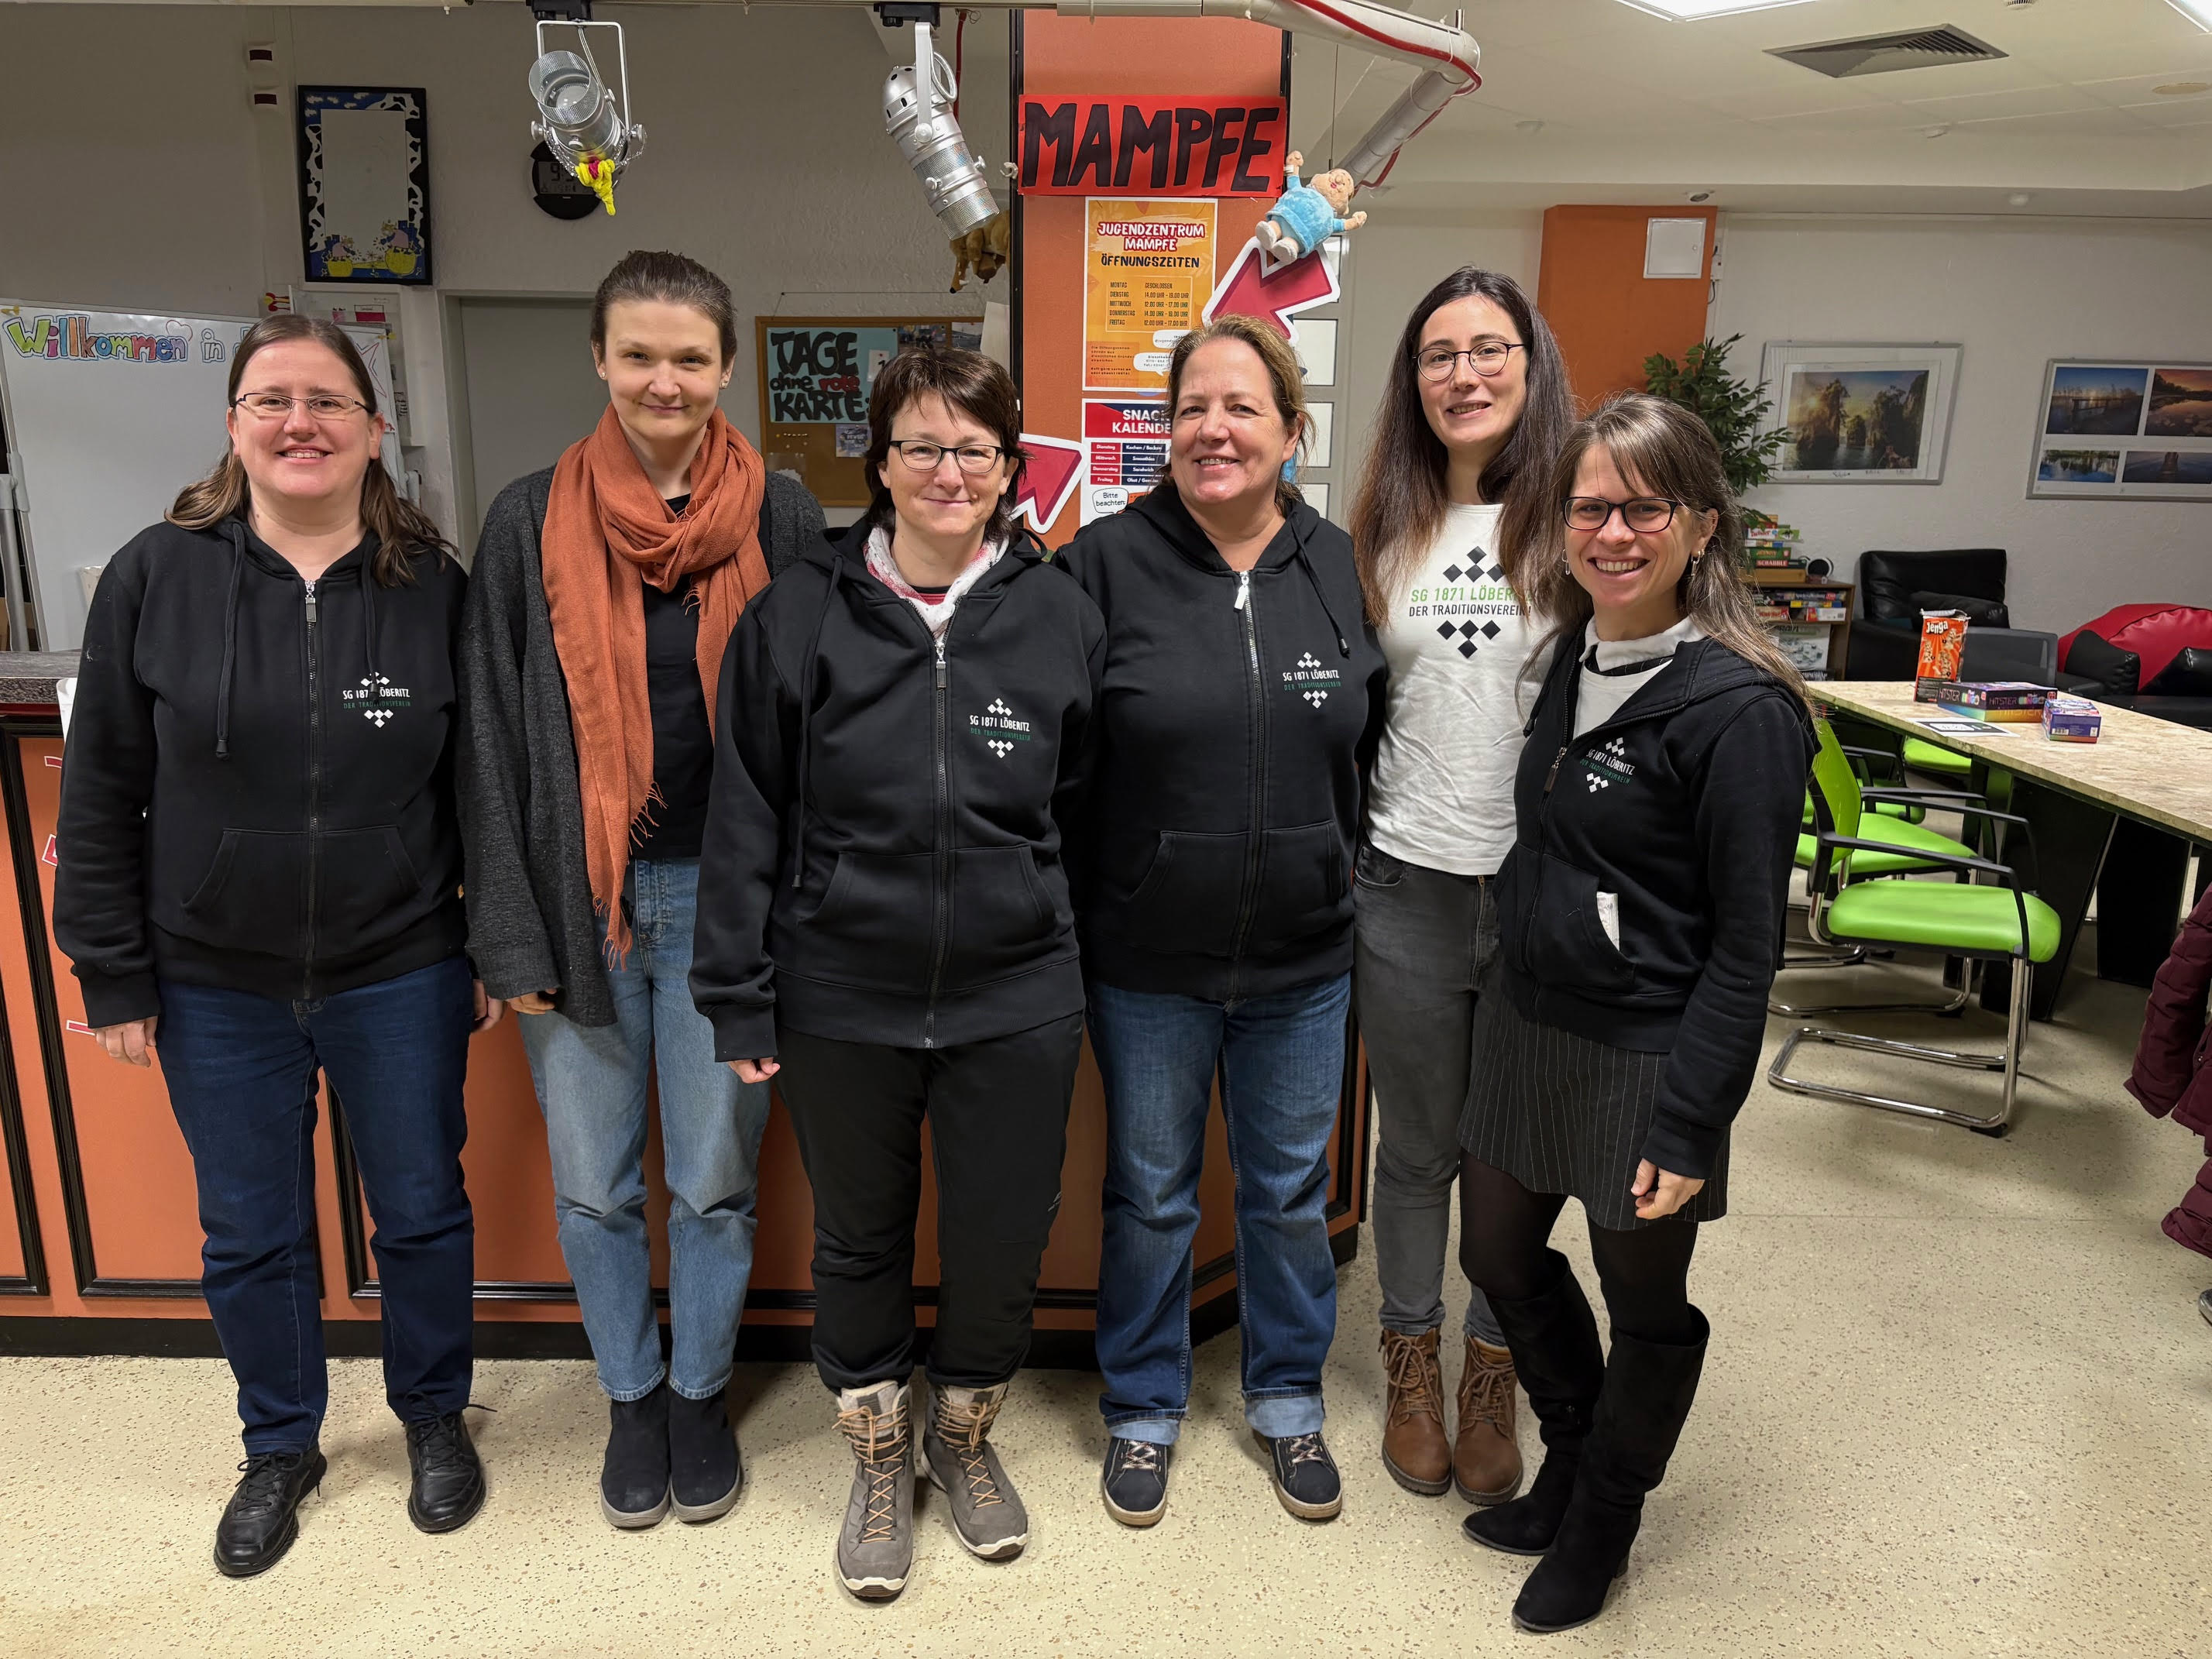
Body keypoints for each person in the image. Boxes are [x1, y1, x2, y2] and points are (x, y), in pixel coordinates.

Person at [55, 315, 491, 1577]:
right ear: (235, 424)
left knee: (418, 1207)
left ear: (370, 427)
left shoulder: (431, 586)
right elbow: (102, 791)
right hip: (211, 976)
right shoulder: (159, 574)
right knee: (251, 1228)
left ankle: (431, 1414)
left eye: (326, 401)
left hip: (401, 961)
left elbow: (475, 786)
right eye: (270, 399)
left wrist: (483, 944)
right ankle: (280, 1441)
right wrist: (113, 968)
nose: (299, 422)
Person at [689, 347, 1102, 1602]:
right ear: (879, 461)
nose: (948, 471)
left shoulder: (1059, 614)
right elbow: (746, 813)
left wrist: (1050, 937)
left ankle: (962, 1435)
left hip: (1016, 993)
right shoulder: (797, 612)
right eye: (922, 445)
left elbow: (1081, 808)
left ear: (1008, 469)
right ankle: (876, 1445)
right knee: (859, 1238)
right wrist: (739, 992)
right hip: (842, 991)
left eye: (974, 448)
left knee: (998, 1237)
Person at [458, 251, 824, 1530]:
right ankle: (629, 1393)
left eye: (689, 356)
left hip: (730, 908)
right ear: (601, 361)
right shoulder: (524, 519)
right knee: (596, 1183)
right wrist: (508, 930)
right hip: (581, 906)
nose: (663, 380)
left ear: (725, 368)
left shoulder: (780, 517)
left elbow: (813, 727)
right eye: (638, 353)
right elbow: (492, 742)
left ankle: (699, 1392)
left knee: (715, 1182)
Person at [1455, 393, 1812, 1633]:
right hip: (1528, 1026)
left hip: (1649, 1056)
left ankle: (1605, 1516)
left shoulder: (1741, 710)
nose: (1611, 531)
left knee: (1643, 1300)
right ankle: (1569, 1454)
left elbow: (1748, 946)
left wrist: (1689, 1120)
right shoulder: (1569, 662)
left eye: (1640, 507)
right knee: (1495, 1255)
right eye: (1589, 507)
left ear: (1700, 525)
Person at [1061, 314, 1388, 1528]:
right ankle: (1143, 1406)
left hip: (1306, 961)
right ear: (1167, 433)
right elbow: (1059, 760)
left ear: (1291, 432)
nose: (1214, 428)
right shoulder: (1100, 566)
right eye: (1194, 406)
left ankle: (1288, 1396)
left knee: (1287, 1194)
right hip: (1146, 959)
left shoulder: (1343, 569)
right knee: (1150, 1194)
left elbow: (1379, 748)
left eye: (1243, 407)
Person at [1346, 268, 1572, 1506]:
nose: (1466, 374)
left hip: (1533, 889)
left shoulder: (1576, 520)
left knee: (1510, 1150)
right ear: (1413, 379)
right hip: (1407, 881)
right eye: (1440, 354)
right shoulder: (1383, 525)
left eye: (1491, 350)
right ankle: (1413, 1361)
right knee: (1419, 1146)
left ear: (1530, 369)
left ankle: (1496, 1372)